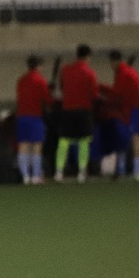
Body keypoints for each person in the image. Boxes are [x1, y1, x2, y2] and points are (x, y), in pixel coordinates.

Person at [55, 44, 100, 183]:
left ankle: (59, 172)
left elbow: (62, 87)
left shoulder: (65, 70)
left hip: (67, 109)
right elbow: (94, 94)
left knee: (63, 141)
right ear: (88, 57)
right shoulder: (90, 72)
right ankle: (81, 172)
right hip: (83, 111)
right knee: (84, 142)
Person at [109, 50, 139, 180]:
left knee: (137, 139)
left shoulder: (123, 74)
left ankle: (138, 171)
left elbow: (117, 95)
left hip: (137, 108)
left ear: (114, 62)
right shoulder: (129, 71)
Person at [14, 55, 54, 184]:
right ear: (39, 66)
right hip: (35, 117)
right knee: (36, 146)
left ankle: (24, 176)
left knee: (23, 145)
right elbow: (47, 99)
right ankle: (36, 176)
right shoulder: (40, 80)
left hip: (21, 116)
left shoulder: (21, 80)